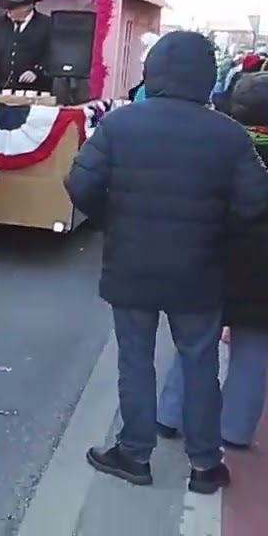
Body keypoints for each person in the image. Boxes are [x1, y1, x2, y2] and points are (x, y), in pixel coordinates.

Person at [66, 31, 268, 495]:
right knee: (200, 363)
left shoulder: (120, 125)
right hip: (199, 271)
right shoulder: (229, 134)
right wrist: (218, 231)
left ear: (153, 72)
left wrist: (112, 221)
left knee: (134, 359)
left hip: (131, 263)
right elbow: (256, 203)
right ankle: (204, 465)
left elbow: (80, 186)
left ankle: (134, 453)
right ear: (206, 76)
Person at [156, 70, 268, 452]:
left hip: (210, 256)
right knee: (255, 348)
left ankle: (171, 415)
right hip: (262, 270)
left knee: (195, 341)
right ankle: (234, 429)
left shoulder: (218, 142)